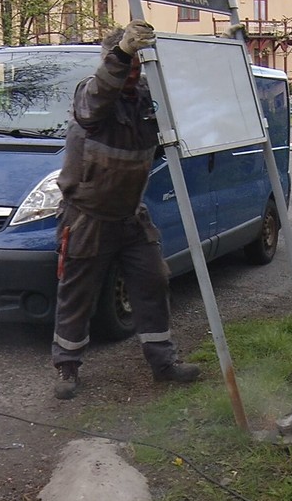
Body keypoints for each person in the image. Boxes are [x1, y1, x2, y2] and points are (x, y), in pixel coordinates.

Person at [51, 21, 200, 400]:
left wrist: (223, 54)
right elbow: (100, 94)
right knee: (77, 293)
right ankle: (67, 367)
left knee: (154, 282)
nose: (131, 72)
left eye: (136, 65)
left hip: (131, 216)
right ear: (110, 61)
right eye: (125, 63)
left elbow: (182, 109)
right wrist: (123, 53)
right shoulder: (91, 94)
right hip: (86, 216)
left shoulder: (146, 101)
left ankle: (163, 364)